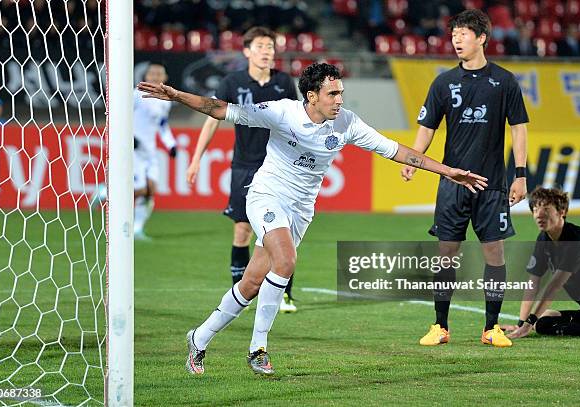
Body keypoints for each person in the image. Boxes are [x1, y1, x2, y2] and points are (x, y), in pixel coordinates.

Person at [138, 62, 488, 376]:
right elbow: (218, 108)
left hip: (301, 209)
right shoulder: (281, 113)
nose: (340, 99)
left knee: (251, 283)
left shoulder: (347, 123)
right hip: (266, 196)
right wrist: (174, 95)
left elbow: (398, 151)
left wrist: (448, 172)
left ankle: (199, 337)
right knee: (286, 260)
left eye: (341, 93)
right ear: (312, 96)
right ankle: (258, 349)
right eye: (332, 93)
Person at [400, 9, 529, 348]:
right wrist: (414, 159)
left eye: (463, 34)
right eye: (454, 34)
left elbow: (518, 129)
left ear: (482, 38)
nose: (456, 40)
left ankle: (492, 328)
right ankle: (440, 326)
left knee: (495, 255)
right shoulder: (443, 82)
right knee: (445, 254)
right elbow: (427, 127)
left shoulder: (504, 81)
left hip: (491, 184)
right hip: (452, 183)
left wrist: (520, 175)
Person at [186, 26, 300, 312]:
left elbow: (296, 122)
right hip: (245, 165)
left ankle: (285, 295)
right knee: (242, 230)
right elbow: (212, 118)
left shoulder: (284, 81)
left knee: (280, 232)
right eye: (260, 46)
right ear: (247, 51)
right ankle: (240, 292)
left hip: (278, 168)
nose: (266, 51)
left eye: (270, 47)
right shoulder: (232, 82)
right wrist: (197, 157)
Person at [501, 187, 580, 338]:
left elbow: (554, 285)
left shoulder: (577, 238)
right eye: (535, 209)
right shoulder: (544, 239)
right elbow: (533, 282)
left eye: (546, 209)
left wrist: (527, 326)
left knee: (538, 323)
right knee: (543, 321)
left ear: (562, 212)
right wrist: (521, 324)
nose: (539, 215)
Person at [133, 63, 177, 241]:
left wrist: (171, 144)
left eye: (159, 73)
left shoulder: (165, 101)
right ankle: (105, 192)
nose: (156, 76)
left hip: (149, 150)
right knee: (141, 188)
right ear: (146, 76)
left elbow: (162, 125)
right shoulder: (136, 95)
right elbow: (119, 117)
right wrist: (128, 137)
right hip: (133, 148)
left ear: (165, 78)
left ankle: (137, 230)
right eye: (152, 73)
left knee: (151, 190)